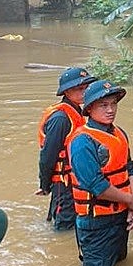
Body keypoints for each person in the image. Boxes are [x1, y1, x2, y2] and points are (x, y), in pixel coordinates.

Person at [68, 79, 133, 266]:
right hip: (96, 223)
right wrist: (131, 201)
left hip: (121, 217)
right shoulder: (82, 142)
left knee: (120, 264)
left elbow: (129, 168)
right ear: (90, 108)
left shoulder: (119, 133)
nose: (110, 110)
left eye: (113, 104)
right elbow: (97, 187)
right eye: (104, 105)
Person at [36, 66, 97, 230]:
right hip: (63, 182)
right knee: (64, 226)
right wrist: (44, 184)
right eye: (79, 88)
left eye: (86, 87)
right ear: (66, 92)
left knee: (62, 217)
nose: (84, 92)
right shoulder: (61, 119)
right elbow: (48, 156)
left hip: (73, 179)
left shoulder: (77, 112)